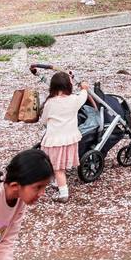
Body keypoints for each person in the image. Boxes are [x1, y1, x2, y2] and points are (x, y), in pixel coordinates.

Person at [38, 71, 89, 201]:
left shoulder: (50, 103)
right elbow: (83, 95)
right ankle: (59, 182)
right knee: (60, 165)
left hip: (55, 140)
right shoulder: (74, 100)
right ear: (69, 86)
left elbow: (43, 120)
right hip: (70, 139)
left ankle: (63, 193)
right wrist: (83, 87)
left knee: (57, 168)